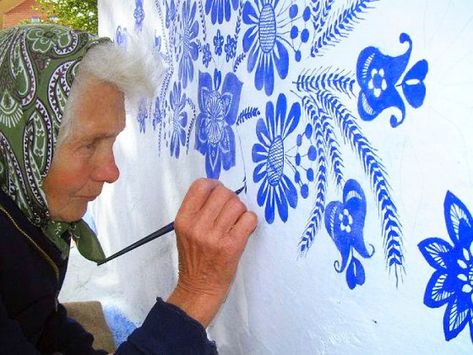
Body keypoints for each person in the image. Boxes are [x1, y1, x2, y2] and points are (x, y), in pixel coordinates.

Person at [0, 24, 257, 354]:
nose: (111, 172)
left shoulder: (28, 217)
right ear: (22, 142)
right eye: (90, 144)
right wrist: (196, 294)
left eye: (112, 142)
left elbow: (36, 318)